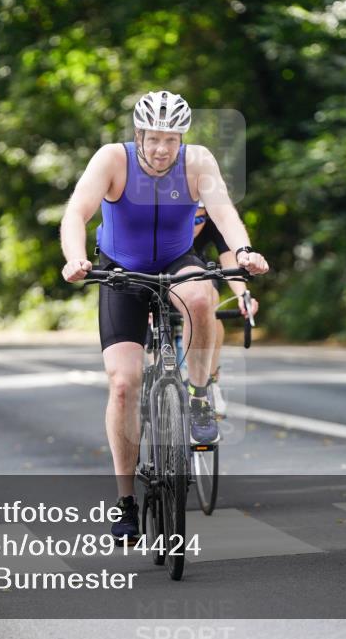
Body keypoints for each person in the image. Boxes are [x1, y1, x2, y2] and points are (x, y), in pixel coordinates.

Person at [59, 90, 269, 543]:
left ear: (181, 139)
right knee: (123, 385)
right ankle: (126, 502)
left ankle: (197, 398)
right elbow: (77, 212)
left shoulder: (197, 162)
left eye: (170, 140)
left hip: (177, 261)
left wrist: (246, 252)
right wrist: (75, 259)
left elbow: (223, 212)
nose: (161, 149)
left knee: (201, 298)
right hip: (121, 270)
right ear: (138, 135)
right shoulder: (112, 159)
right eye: (153, 139)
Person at [191, 206, 259, 418]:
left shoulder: (213, 217)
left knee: (210, 308)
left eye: (197, 221)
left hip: (194, 266)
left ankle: (210, 380)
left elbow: (228, 258)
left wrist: (242, 295)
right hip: (155, 267)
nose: (191, 226)